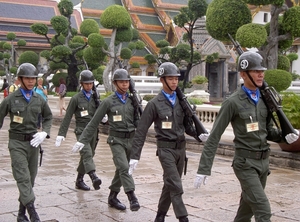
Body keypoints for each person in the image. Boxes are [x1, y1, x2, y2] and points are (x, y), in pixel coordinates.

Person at [194, 51, 299, 222]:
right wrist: (204, 168)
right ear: (243, 74)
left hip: (264, 163)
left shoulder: (266, 99)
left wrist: (284, 137)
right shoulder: (233, 102)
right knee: (263, 210)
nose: (261, 74)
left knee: (247, 209)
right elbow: (214, 136)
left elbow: (269, 132)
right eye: (256, 71)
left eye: (262, 71)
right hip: (245, 164)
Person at [128, 62, 209, 222]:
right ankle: (183, 218)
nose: (174, 82)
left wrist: (198, 135)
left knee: (170, 184)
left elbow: (187, 127)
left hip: (181, 150)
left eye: (176, 79)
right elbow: (141, 131)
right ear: (162, 80)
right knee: (176, 186)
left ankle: (160, 216)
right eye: (170, 79)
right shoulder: (154, 104)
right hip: (165, 150)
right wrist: (135, 156)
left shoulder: (182, 102)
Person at [72, 69, 141, 211]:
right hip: (116, 140)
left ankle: (113, 196)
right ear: (115, 83)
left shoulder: (133, 100)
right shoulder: (108, 102)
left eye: (127, 82)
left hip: (131, 139)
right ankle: (132, 197)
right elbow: (94, 122)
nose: (124, 84)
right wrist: (82, 140)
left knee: (121, 170)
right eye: (121, 82)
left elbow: (139, 122)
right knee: (123, 167)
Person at [0, 63, 52, 222]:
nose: (31, 82)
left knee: (30, 179)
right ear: (20, 79)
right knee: (22, 177)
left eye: (33, 79)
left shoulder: (39, 99)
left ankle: (21, 214)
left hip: (34, 144)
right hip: (16, 143)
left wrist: (44, 132)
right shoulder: (11, 99)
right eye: (27, 78)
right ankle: (32, 212)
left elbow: (48, 117)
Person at [55, 70, 102, 191]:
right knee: (86, 153)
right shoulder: (76, 98)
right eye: (86, 84)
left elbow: (100, 112)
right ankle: (93, 176)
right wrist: (61, 133)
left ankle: (79, 180)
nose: (89, 86)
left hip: (93, 132)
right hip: (81, 131)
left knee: (88, 156)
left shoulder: (95, 97)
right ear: (81, 84)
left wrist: (105, 118)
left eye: (91, 83)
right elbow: (68, 116)